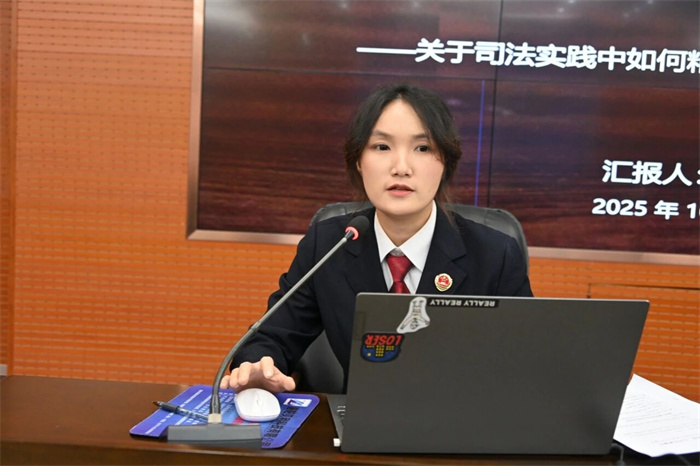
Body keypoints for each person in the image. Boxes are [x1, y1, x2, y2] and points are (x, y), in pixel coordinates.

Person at [221, 83, 533, 394]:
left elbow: (529, 361)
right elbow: (272, 336)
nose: (401, 168)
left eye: (423, 148)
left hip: (460, 419)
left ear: (446, 163)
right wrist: (258, 368)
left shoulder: (495, 254)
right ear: (358, 160)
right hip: (357, 418)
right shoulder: (330, 244)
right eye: (382, 147)